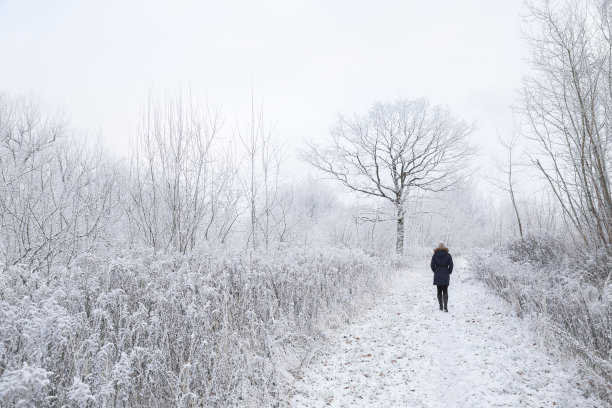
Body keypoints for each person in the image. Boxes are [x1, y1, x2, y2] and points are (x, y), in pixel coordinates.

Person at [431, 242, 453, 312]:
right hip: (445, 273)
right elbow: (451, 265)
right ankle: (445, 307)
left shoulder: (435, 255)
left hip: (438, 274)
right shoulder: (448, 255)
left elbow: (432, 265)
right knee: (445, 290)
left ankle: (441, 306)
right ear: (444, 247)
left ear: (438, 247)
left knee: (439, 290)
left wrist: (436, 271)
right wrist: (449, 271)